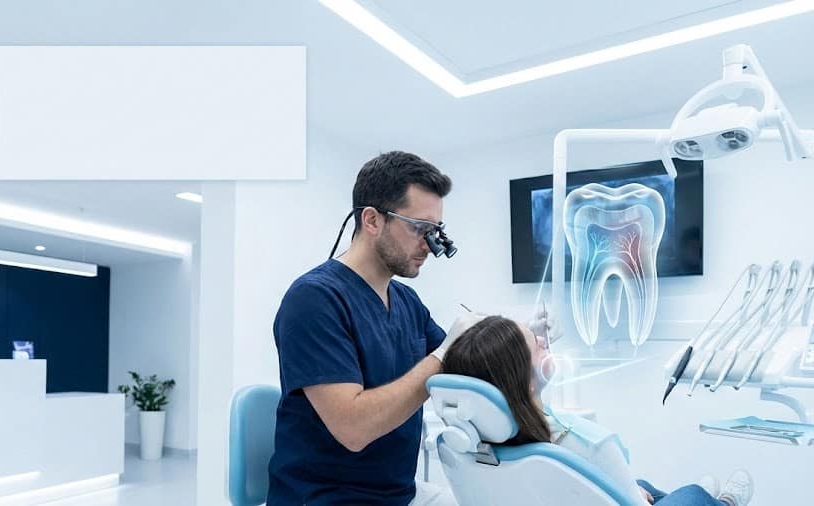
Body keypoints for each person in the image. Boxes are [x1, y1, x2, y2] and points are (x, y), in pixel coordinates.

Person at [267, 151, 536, 505]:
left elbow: (466, 363)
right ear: (372, 220)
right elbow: (353, 428)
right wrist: (440, 357)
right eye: (420, 229)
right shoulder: (314, 300)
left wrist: (523, 338)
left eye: (436, 230)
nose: (430, 244)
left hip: (398, 494)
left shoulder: (407, 302)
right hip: (326, 498)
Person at [440, 315, 755, 506]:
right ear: (525, 382)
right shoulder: (589, 444)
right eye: (537, 345)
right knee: (693, 493)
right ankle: (721, 502)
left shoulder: (479, 447)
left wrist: (631, 493)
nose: (543, 339)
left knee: (642, 486)